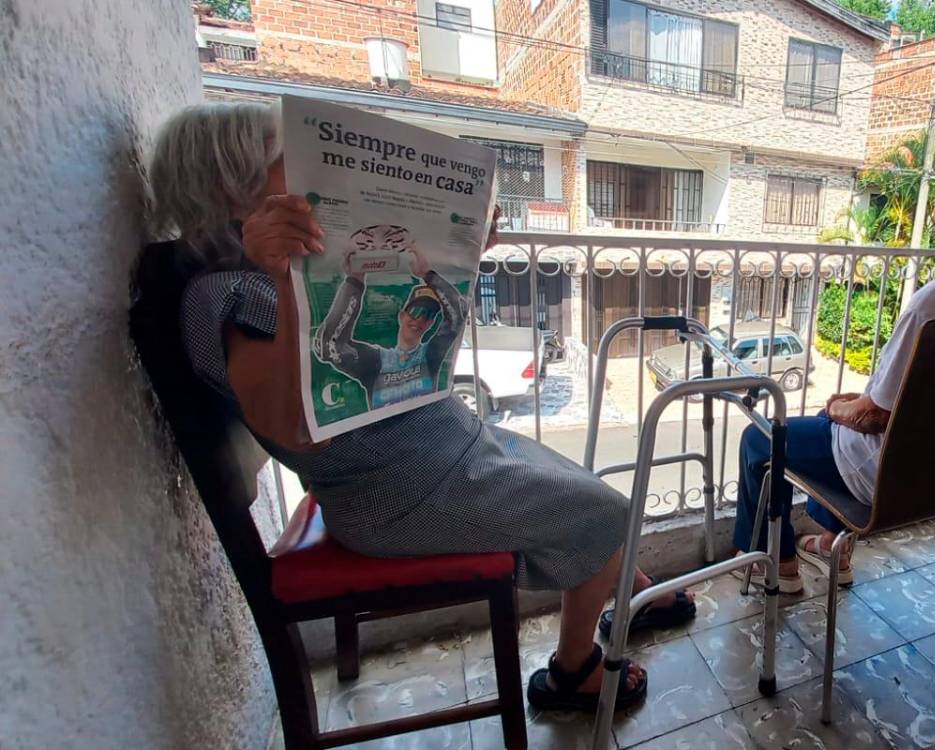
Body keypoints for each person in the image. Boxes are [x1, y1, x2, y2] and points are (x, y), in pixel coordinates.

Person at [148, 102, 693, 713]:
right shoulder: (227, 291)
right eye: (286, 162)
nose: (303, 173)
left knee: (579, 484)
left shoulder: (295, 266)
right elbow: (298, 432)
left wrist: (460, 252)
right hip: (398, 491)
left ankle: (627, 588)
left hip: (438, 450)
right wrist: (279, 276)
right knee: (604, 511)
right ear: (233, 187)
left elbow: (400, 346)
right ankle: (575, 673)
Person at [733, 124, 935, 591]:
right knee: (828, 435)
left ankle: (774, 563)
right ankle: (834, 549)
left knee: (762, 437)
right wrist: (855, 408)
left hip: (888, 485)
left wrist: (838, 407)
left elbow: (874, 417)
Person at [314, 248, 463, 409]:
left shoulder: (430, 355)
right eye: (415, 311)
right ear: (402, 316)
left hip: (425, 428)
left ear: (430, 324)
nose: (420, 319)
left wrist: (428, 274)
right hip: (385, 433)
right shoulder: (376, 359)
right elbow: (329, 345)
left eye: (428, 315)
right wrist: (355, 280)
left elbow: (457, 317)